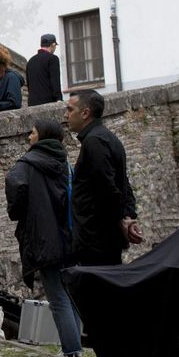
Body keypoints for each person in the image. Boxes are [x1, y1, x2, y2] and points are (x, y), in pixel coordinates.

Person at [5, 118, 80, 357]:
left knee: (57, 297)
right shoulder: (66, 163)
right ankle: (76, 344)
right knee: (72, 295)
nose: (29, 137)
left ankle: (71, 350)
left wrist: (19, 212)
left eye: (33, 132)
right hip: (71, 238)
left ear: (43, 136)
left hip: (45, 239)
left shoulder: (27, 164)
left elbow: (16, 193)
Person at [65, 89, 141, 266]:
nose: (65, 115)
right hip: (102, 238)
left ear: (85, 113)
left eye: (69, 109)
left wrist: (123, 218)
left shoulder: (95, 142)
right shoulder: (106, 138)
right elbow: (122, 184)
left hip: (96, 240)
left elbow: (108, 188)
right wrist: (127, 215)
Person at [25, 33, 63, 107]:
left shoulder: (30, 61)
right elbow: (55, 81)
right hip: (48, 103)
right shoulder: (53, 58)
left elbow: (29, 84)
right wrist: (59, 99)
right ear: (53, 45)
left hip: (32, 104)